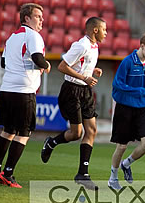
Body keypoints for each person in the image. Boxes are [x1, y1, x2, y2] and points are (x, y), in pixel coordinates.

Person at [0, 3, 51, 188]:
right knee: (24, 133)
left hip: (7, 88)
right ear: (27, 19)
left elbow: (3, 62)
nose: (42, 20)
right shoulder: (34, 36)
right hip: (24, 91)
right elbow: (38, 58)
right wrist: (46, 66)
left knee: (8, 130)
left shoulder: (12, 37)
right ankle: (8, 174)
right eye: (38, 16)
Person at [40, 17, 107, 190]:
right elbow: (62, 66)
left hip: (85, 92)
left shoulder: (94, 46)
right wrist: (84, 76)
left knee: (92, 130)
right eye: (104, 30)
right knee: (76, 133)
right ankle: (51, 143)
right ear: (95, 30)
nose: (106, 33)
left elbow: (80, 65)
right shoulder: (81, 45)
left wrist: (92, 70)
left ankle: (82, 174)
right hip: (71, 91)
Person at [107, 32, 145, 190]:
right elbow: (117, 84)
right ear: (142, 47)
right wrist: (135, 91)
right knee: (121, 146)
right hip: (125, 108)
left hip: (142, 109)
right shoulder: (127, 62)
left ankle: (126, 164)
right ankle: (113, 178)